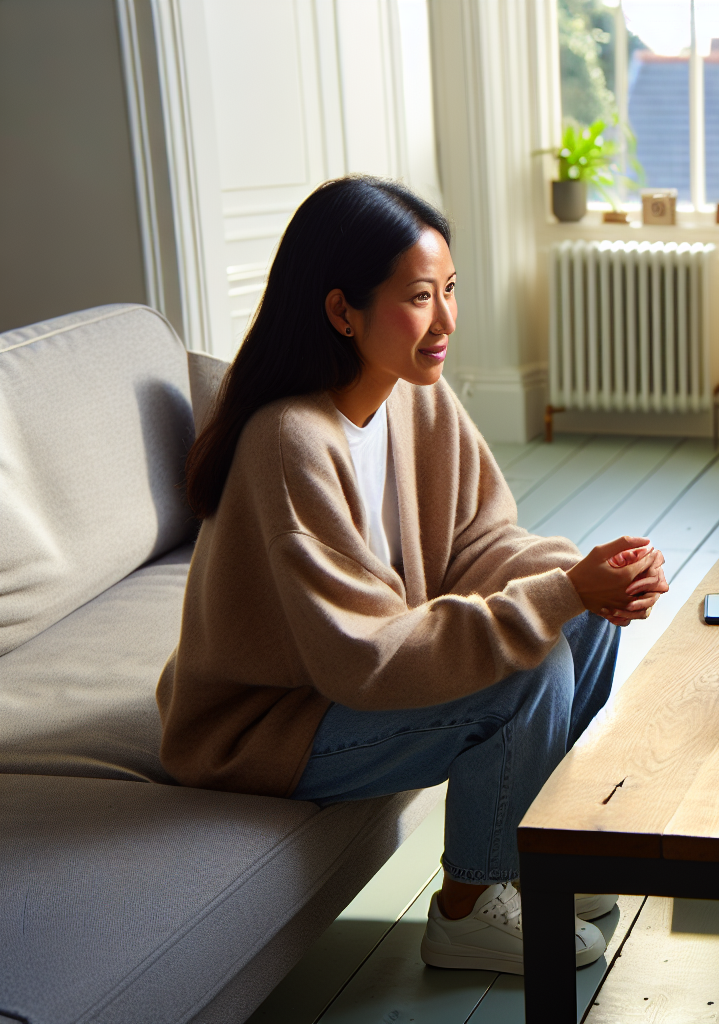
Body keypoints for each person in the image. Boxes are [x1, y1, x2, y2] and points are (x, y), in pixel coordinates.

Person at [157, 176, 669, 975]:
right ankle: (467, 910)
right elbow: (362, 659)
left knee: (583, 626)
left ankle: (534, 860)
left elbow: (480, 543)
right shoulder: (289, 441)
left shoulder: (412, 398)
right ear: (342, 312)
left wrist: (584, 576)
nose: (446, 322)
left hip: (344, 683)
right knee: (527, 675)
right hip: (269, 725)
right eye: (420, 297)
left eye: (451, 291)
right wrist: (564, 591)